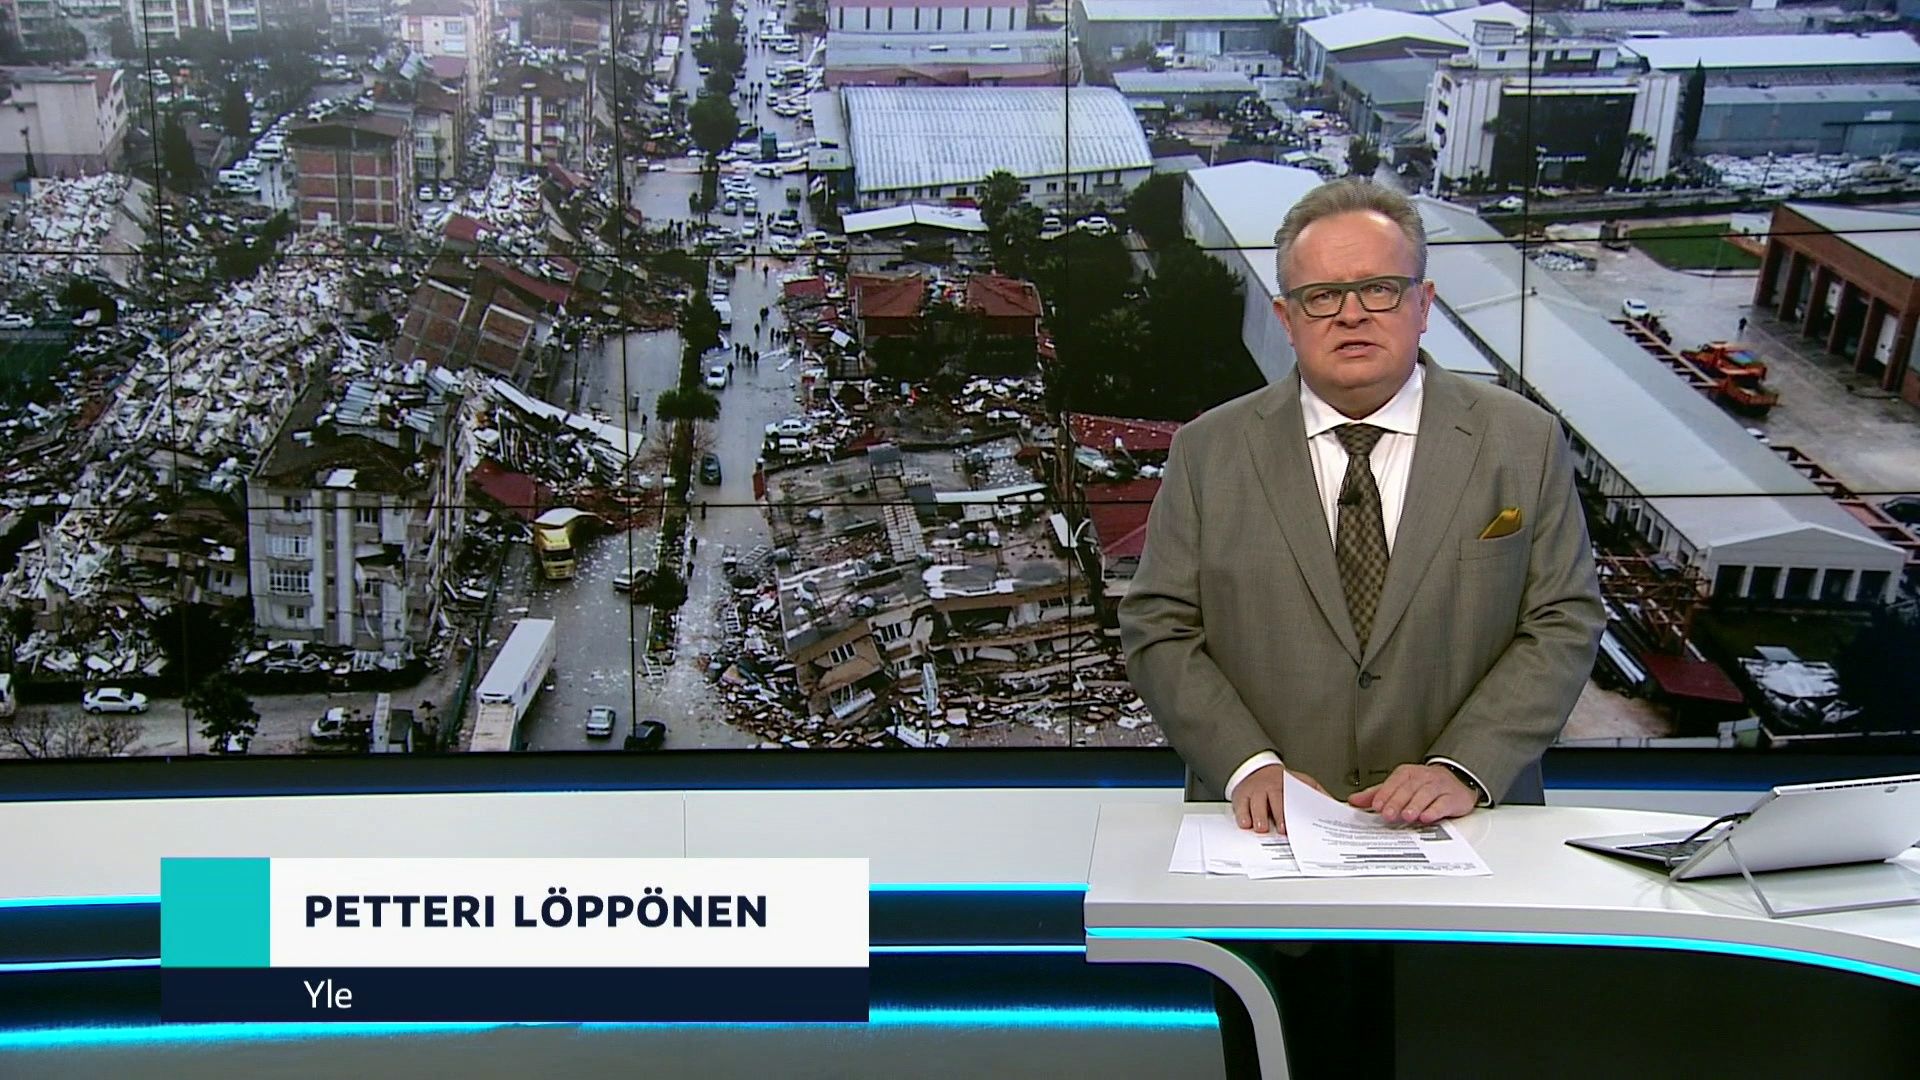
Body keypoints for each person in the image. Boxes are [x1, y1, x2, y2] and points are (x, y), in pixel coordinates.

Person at [1118, 178, 1604, 1080]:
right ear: (1286, 316)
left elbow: (1563, 618)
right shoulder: (1208, 450)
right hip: (1267, 857)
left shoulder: (1523, 441)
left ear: (1424, 303)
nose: (1351, 314)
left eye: (1379, 288)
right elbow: (1159, 624)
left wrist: (1466, 766)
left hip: (1466, 849)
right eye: (1321, 296)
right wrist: (1247, 765)